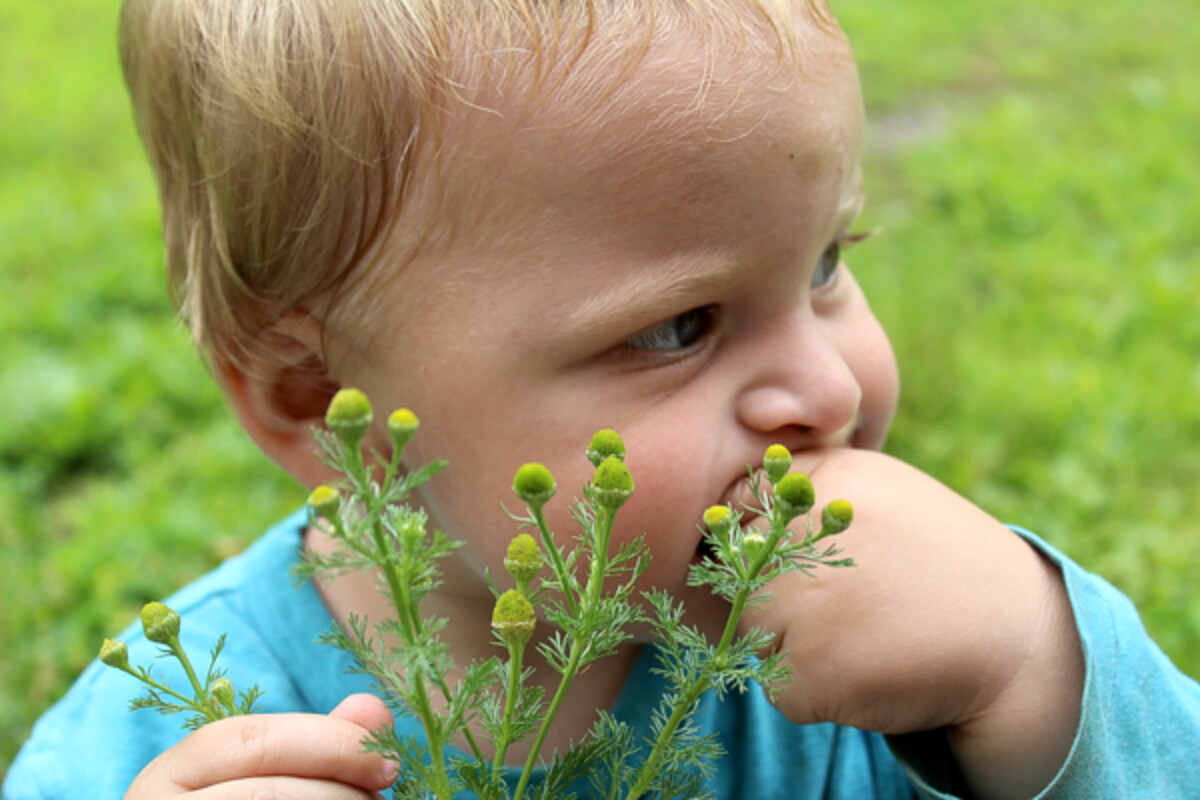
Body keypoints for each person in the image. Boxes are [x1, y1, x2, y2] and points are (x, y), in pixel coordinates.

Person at [6, 1, 1198, 798]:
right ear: (331, 405)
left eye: (827, 262)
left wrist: (1038, 679)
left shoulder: (898, 660)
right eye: (678, 328)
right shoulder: (167, 736)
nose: (831, 387)